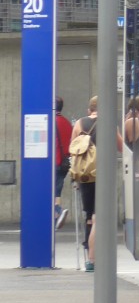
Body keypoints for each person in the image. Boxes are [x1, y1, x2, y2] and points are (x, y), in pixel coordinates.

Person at [71, 95, 124, 272]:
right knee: (98, 217)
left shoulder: (79, 124)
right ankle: (93, 258)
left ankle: (89, 253)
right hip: (103, 176)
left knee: (89, 216)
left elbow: (73, 150)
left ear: (89, 109)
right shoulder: (109, 124)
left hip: (85, 177)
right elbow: (121, 147)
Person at [53, 97, 73, 230]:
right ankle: (55, 218)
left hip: (54, 162)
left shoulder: (51, 122)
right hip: (64, 164)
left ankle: (59, 211)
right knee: (57, 192)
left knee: (49, 191)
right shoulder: (67, 123)